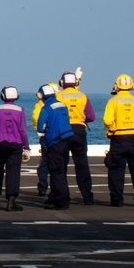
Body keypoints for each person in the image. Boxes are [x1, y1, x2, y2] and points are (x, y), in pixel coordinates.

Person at [103, 74, 134, 207]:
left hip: (118, 138)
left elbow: (107, 121)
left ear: (116, 86)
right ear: (132, 86)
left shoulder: (113, 101)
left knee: (116, 170)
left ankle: (117, 200)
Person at [0, 85, 31, 212]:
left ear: (2, 96)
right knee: (13, 172)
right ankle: (11, 201)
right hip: (16, 145)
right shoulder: (20, 110)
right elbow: (23, 130)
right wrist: (27, 148)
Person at [57, 69, 97, 205]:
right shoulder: (83, 96)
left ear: (61, 82)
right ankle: (88, 197)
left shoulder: (58, 96)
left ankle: (63, 197)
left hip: (63, 130)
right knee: (82, 164)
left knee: (61, 164)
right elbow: (91, 116)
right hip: (79, 130)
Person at [36, 84, 75, 210]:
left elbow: (40, 126)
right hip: (66, 140)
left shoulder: (46, 108)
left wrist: (45, 130)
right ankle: (54, 197)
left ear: (42, 95)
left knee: (56, 172)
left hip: (54, 141)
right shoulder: (62, 105)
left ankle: (62, 201)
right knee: (61, 171)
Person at [30, 84, 56, 197]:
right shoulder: (59, 104)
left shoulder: (41, 106)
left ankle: (42, 188)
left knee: (44, 163)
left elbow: (36, 120)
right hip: (58, 137)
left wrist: (41, 130)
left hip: (46, 136)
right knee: (58, 163)